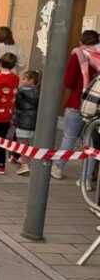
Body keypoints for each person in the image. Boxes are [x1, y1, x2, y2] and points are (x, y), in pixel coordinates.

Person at [52, 30, 100, 180]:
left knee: (69, 137)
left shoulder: (78, 55)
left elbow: (69, 81)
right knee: (92, 143)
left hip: (76, 103)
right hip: (95, 106)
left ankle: (58, 167)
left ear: (81, 42)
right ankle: (85, 179)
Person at [12, 70, 40, 176]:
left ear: (31, 80)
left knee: (22, 142)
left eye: (24, 79)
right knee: (30, 142)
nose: (22, 81)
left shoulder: (20, 91)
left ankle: (25, 164)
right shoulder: (39, 91)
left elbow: (18, 105)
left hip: (23, 120)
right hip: (33, 121)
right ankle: (27, 160)